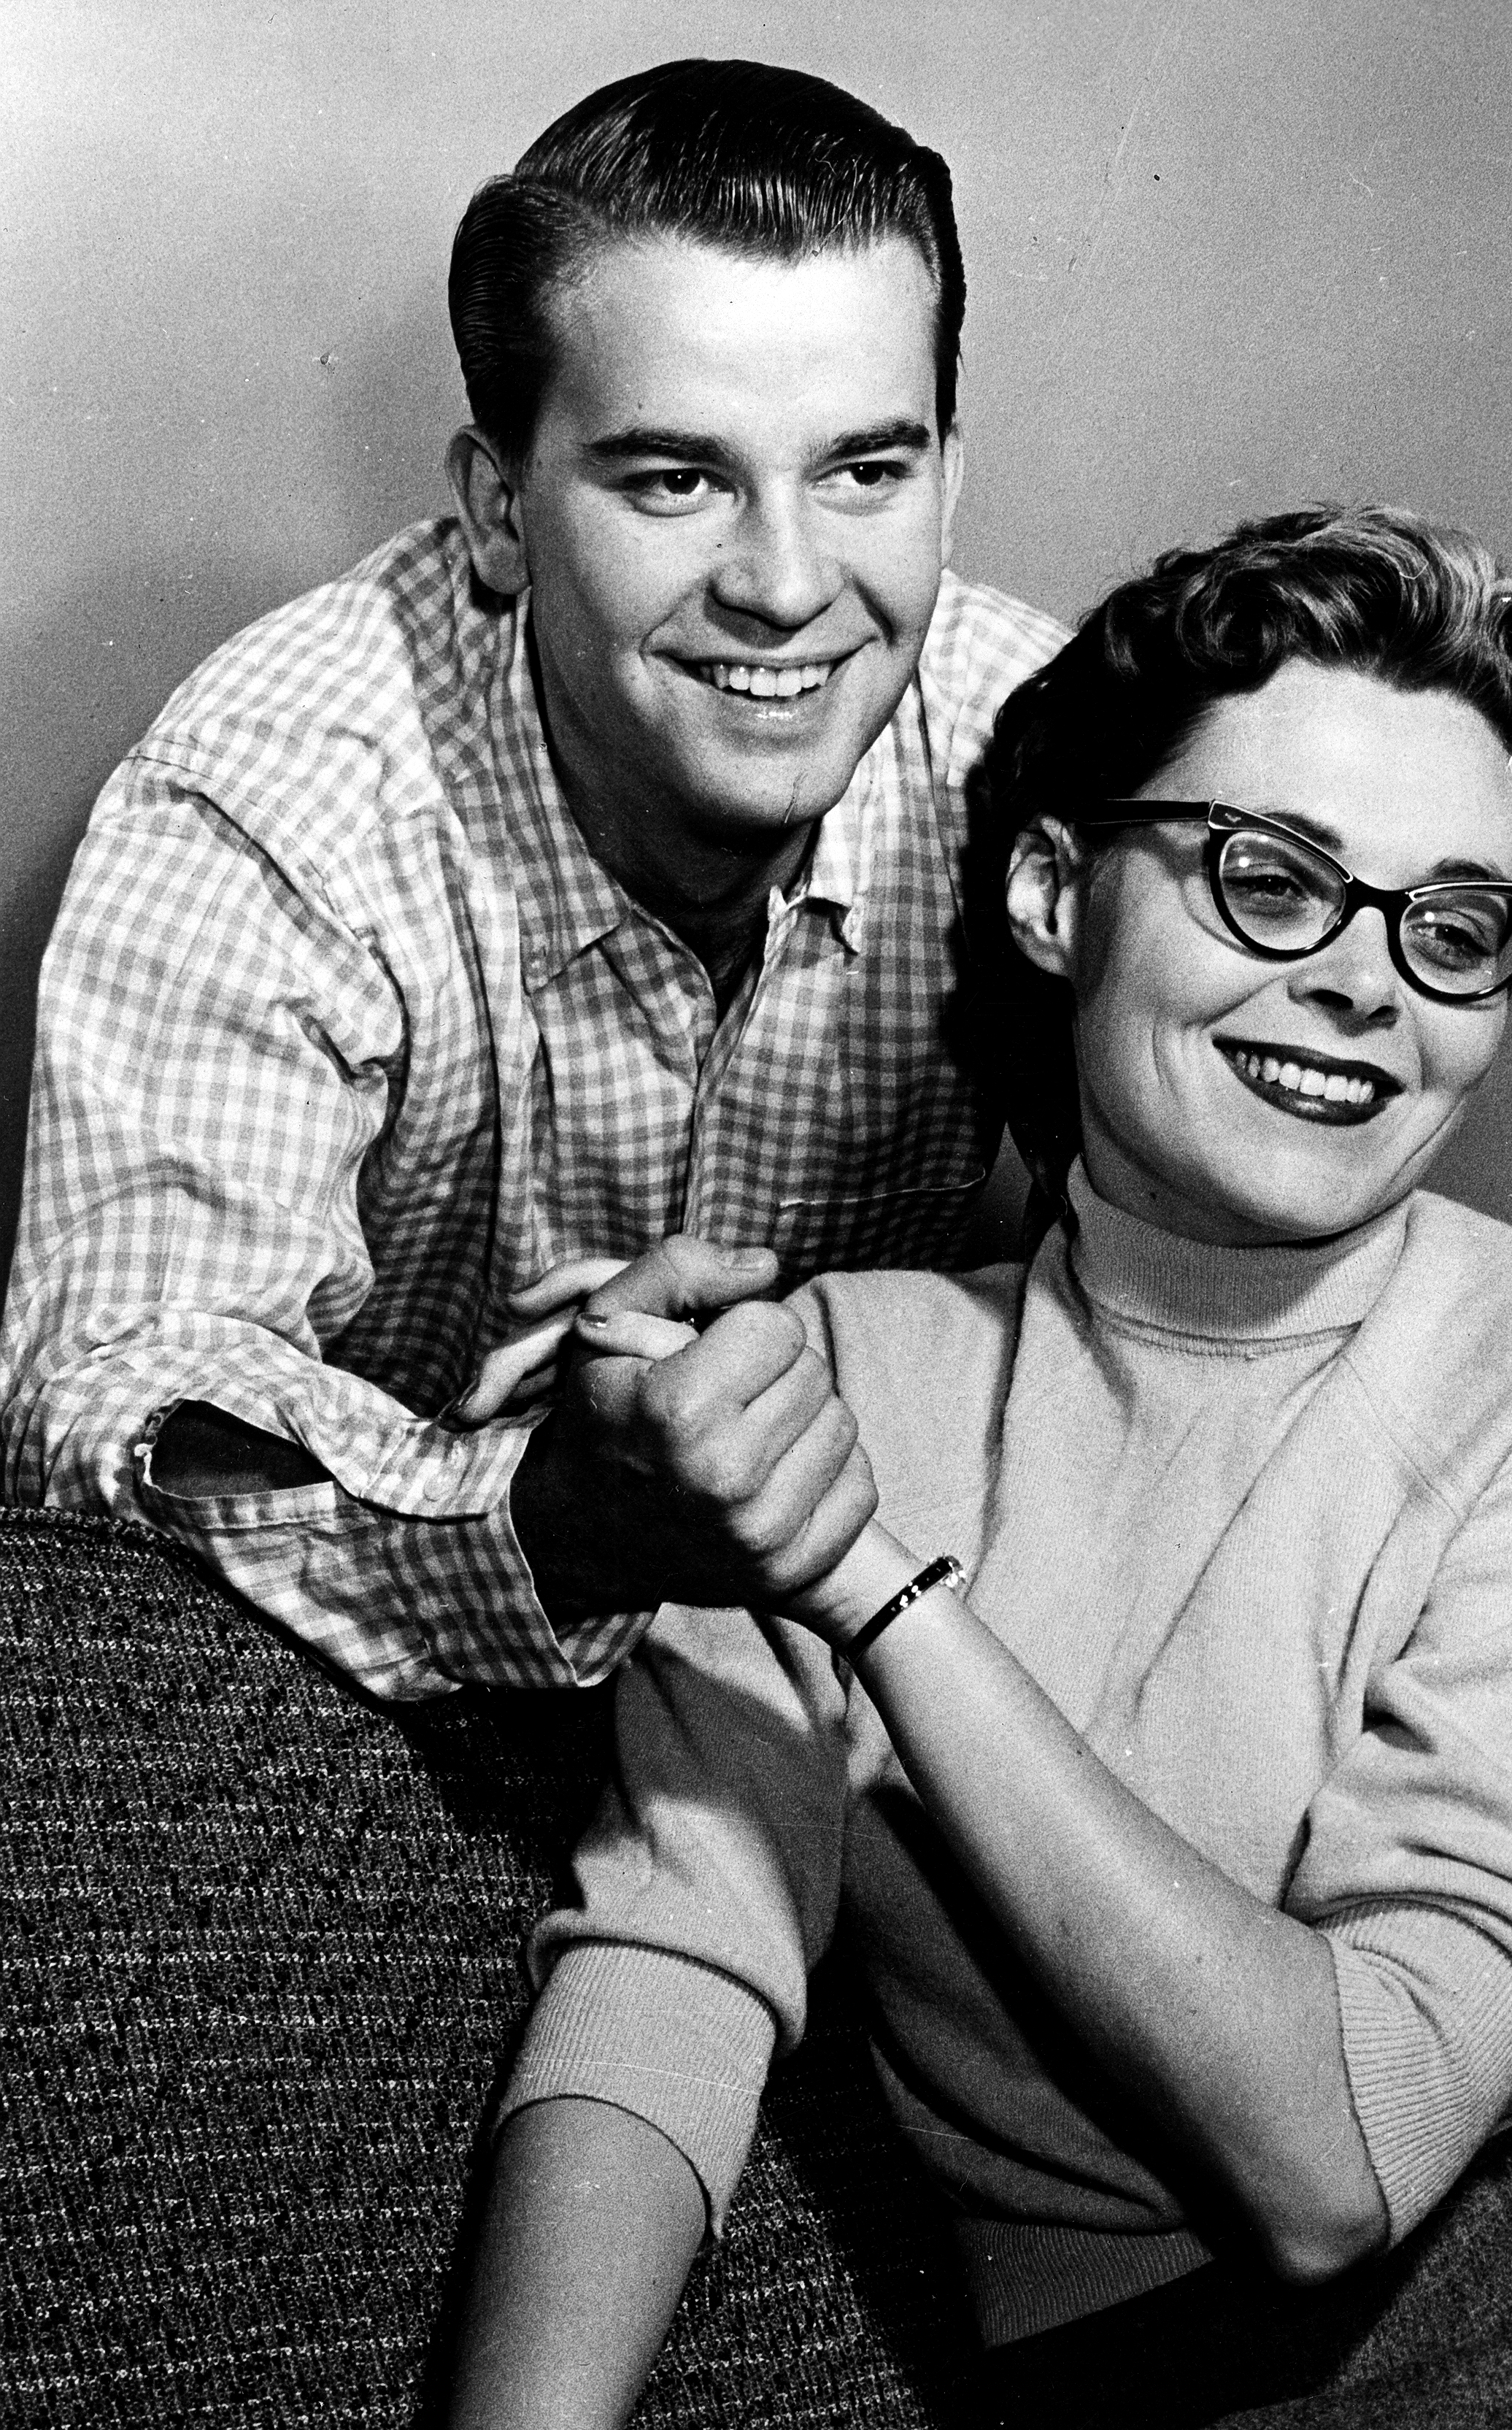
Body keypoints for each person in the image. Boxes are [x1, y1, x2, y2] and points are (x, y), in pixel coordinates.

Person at [447, 507, 1512, 2428]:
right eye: (1270, 878)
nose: (1369, 981)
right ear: (1053, 894)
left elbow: (1328, 2160)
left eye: (1454, 927)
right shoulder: (837, 1369)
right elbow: (672, 1975)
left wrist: (869, 1588)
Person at [0, 61, 1065, 1699]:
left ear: (950, 479)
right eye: (674, 480)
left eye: (865, 472)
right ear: (500, 512)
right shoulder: (275, 794)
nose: (788, 588)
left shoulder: (1027, 750)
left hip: (852, 1649)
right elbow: (105, 1408)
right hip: (371, 1676)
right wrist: (558, 1516)